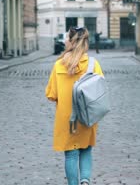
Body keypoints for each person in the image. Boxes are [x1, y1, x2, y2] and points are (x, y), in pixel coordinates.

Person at [45, 27, 104, 185]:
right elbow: (101, 91)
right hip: (87, 116)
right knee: (86, 149)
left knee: (71, 154)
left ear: (71, 42)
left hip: (67, 119)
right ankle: (85, 180)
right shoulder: (93, 64)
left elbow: (51, 94)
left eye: (67, 38)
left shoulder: (59, 65)